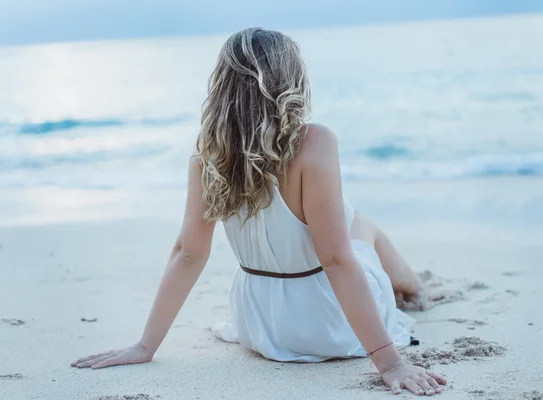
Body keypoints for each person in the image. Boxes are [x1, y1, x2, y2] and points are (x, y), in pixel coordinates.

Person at [71, 27, 447, 396]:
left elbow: (188, 255)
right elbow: (335, 260)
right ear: (291, 81)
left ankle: (412, 286)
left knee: (347, 226)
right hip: (330, 323)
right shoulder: (314, 142)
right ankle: (414, 288)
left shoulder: (207, 159)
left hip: (261, 325)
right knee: (359, 223)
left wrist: (145, 346)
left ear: (222, 86)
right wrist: (390, 362)